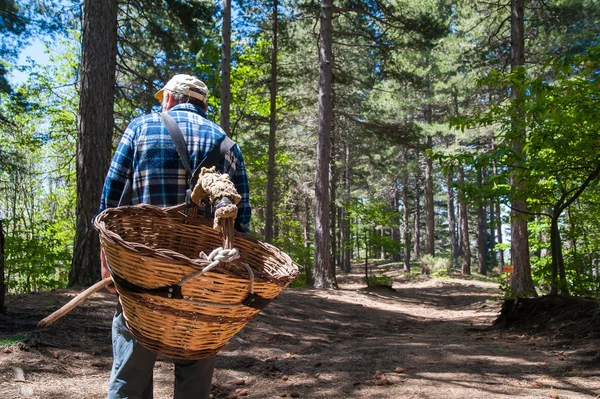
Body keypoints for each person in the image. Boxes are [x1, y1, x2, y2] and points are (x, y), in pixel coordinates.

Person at [97, 74, 251, 399]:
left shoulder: (140, 129)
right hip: (204, 281)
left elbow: (109, 203)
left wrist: (107, 264)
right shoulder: (228, 146)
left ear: (169, 98)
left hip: (142, 273)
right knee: (194, 382)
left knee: (129, 382)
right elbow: (241, 225)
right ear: (203, 105)